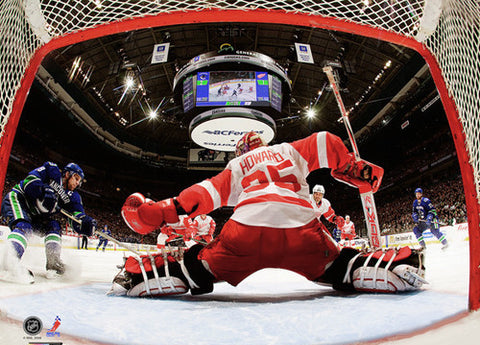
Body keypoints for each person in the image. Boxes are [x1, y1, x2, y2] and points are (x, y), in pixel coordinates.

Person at [111, 131, 426, 297]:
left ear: (241, 152)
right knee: (337, 262)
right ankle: (393, 265)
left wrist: (165, 210)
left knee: (199, 264)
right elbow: (325, 141)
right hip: (303, 229)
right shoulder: (288, 149)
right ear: (264, 143)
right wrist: (347, 164)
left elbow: (201, 195)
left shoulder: (236, 165)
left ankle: (140, 277)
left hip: (247, 232)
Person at [1, 162, 97, 283]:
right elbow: (28, 181)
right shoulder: (51, 170)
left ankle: (53, 264)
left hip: (37, 216)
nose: (78, 183)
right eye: (76, 178)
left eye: (80, 181)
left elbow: (76, 217)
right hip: (20, 200)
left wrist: (85, 223)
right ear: (67, 174)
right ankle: (9, 264)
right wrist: (43, 190)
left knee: (54, 226)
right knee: (23, 226)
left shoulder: (74, 197)